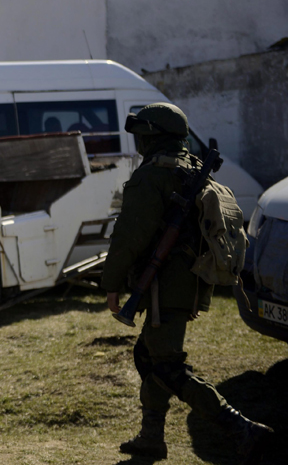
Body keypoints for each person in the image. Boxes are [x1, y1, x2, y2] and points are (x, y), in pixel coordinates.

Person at [102, 103, 273, 462]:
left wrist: (111, 283)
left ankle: (241, 427)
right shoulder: (191, 168)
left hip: (167, 286)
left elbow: (130, 235)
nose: (138, 142)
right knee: (147, 354)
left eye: (141, 135)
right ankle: (151, 437)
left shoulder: (153, 175)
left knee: (166, 366)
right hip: (182, 283)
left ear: (152, 137)